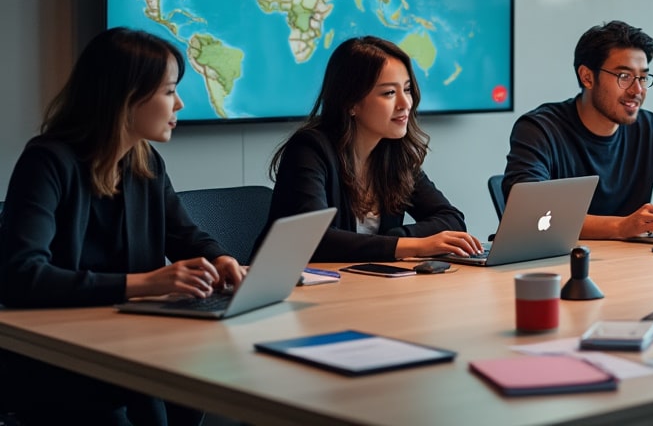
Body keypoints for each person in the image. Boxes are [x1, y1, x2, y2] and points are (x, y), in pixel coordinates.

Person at [0, 27, 245, 426]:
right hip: (65, 365)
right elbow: (21, 276)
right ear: (126, 97)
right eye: (169, 91)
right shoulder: (47, 163)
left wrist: (220, 259)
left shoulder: (145, 162)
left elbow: (184, 235)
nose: (179, 103)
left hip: (137, 347)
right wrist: (144, 283)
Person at [264, 36, 481, 262]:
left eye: (407, 89)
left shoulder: (394, 153)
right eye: (389, 93)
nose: (405, 103)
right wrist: (413, 246)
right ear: (351, 103)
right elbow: (314, 240)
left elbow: (451, 219)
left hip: (365, 279)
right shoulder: (309, 149)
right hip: (296, 281)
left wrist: (396, 239)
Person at [503, 20, 653, 239]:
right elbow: (529, 212)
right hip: (564, 258)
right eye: (624, 76)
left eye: (643, 77)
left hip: (632, 258)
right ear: (587, 77)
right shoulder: (540, 129)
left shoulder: (651, 129)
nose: (637, 90)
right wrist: (621, 227)